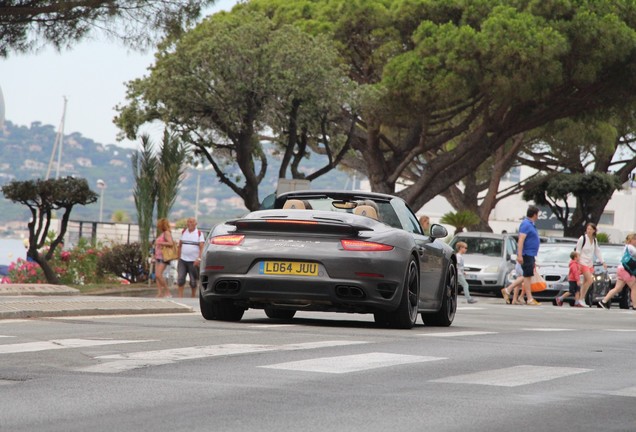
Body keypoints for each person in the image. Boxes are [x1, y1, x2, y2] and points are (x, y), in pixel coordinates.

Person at [599, 233, 636, 310]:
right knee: (634, 287)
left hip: (620, 269)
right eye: (635, 239)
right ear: (630, 240)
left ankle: (604, 301)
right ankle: (635, 305)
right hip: (625, 270)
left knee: (617, 288)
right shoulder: (630, 247)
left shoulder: (626, 247)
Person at [575, 223, 606, 307]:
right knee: (590, 280)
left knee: (585, 282)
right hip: (582, 262)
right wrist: (577, 263)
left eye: (590, 229)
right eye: (587, 229)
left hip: (589, 263)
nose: (588, 231)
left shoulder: (594, 240)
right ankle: (581, 299)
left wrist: (602, 261)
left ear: (594, 230)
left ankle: (581, 299)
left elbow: (597, 251)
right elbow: (577, 251)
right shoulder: (582, 238)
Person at [516, 205, 541, 306]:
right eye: (537, 214)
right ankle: (529, 298)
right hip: (527, 253)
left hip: (530, 254)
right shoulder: (526, 224)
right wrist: (520, 255)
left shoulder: (530, 224)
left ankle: (521, 296)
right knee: (527, 276)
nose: (538, 217)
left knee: (528, 275)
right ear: (534, 214)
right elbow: (521, 239)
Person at [177, 217, 205, 298]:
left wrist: (199, 259)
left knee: (193, 281)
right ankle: (180, 297)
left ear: (195, 224)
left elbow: (201, 247)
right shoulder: (184, 232)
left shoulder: (199, 234)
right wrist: (178, 258)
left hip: (193, 261)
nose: (189, 223)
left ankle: (192, 296)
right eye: (188, 222)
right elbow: (180, 245)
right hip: (183, 259)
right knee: (181, 279)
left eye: (192, 222)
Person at [154, 217, 174, 298]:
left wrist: (160, 242)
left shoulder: (167, 233)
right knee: (157, 275)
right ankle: (160, 292)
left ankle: (167, 291)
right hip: (158, 256)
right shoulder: (162, 233)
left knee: (159, 274)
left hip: (163, 257)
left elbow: (170, 243)